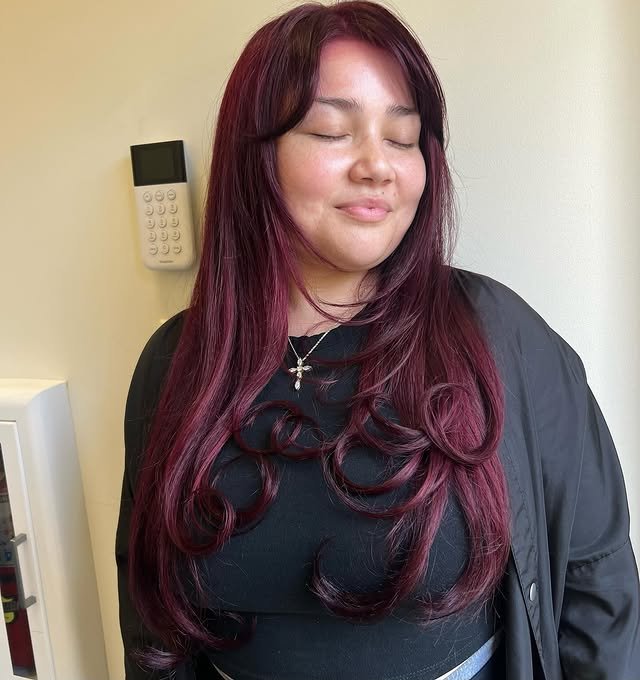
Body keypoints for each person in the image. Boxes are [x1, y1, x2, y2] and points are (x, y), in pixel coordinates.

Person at [115, 1, 640, 679]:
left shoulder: (498, 334)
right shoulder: (176, 362)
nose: (377, 166)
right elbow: (148, 605)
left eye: (403, 137)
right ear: (255, 157)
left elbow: (596, 578)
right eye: (333, 131)